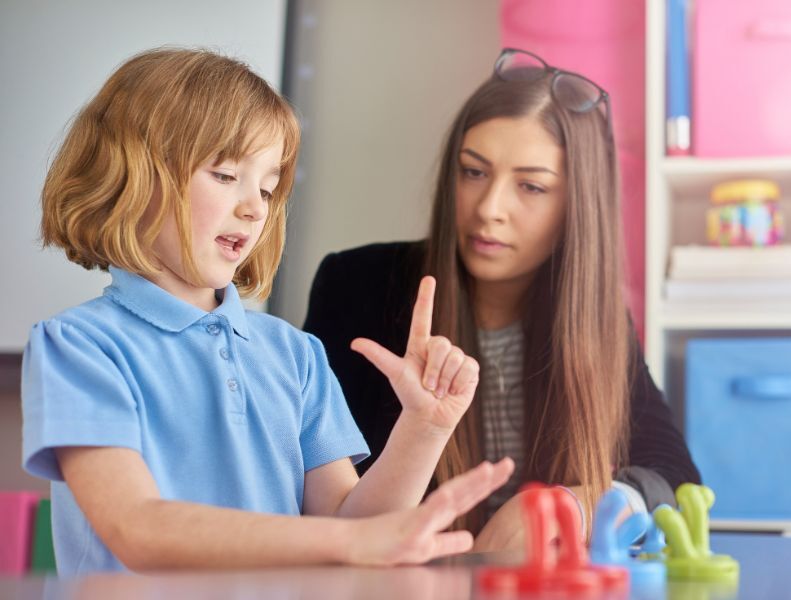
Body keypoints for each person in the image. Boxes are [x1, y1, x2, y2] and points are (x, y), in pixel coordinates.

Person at [21, 47, 513, 576]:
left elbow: (350, 531)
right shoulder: (78, 347)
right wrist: (347, 544)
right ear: (134, 175)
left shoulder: (295, 354)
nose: (255, 207)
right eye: (226, 174)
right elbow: (138, 529)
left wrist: (423, 428)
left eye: (268, 188)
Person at [304, 48, 700, 551]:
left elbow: (677, 482)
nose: (490, 209)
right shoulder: (355, 284)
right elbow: (317, 489)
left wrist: (571, 507)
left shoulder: (593, 318)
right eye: (473, 172)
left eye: (531, 186)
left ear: (577, 207)